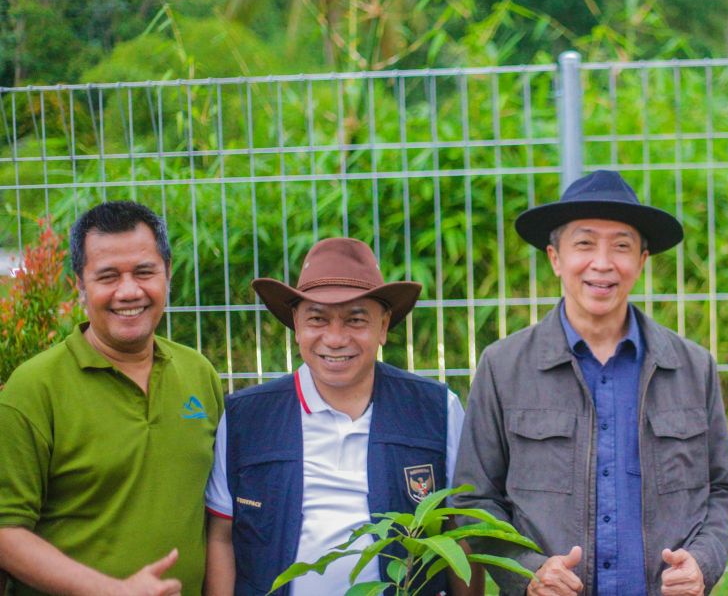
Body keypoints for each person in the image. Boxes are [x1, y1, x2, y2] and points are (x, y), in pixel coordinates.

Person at [452, 170, 728, 596]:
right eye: (584, 243)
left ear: (641, 262)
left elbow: (722, 489)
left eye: (621, 246)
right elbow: (473, 502)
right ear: (555, 257)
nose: (602, 263)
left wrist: (702, 563)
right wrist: (527, 571)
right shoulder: (504, 367)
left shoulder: (692, 368)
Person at [202, 237, 475, 596]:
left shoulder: (436, 409)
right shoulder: (246, 418)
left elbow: (460, 529)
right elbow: (222, 536)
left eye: (355, 320)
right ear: (296, 325)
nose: (334, 338)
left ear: (383, 326)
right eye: (317, 318)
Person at [0, 200, 224, 596]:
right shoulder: (34, 388)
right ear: (80, 285)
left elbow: (218, 515)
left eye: (144, 272)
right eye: (107, 277)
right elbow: (5, 531)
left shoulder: (198, 374)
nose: (128, 291)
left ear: (167, 274)